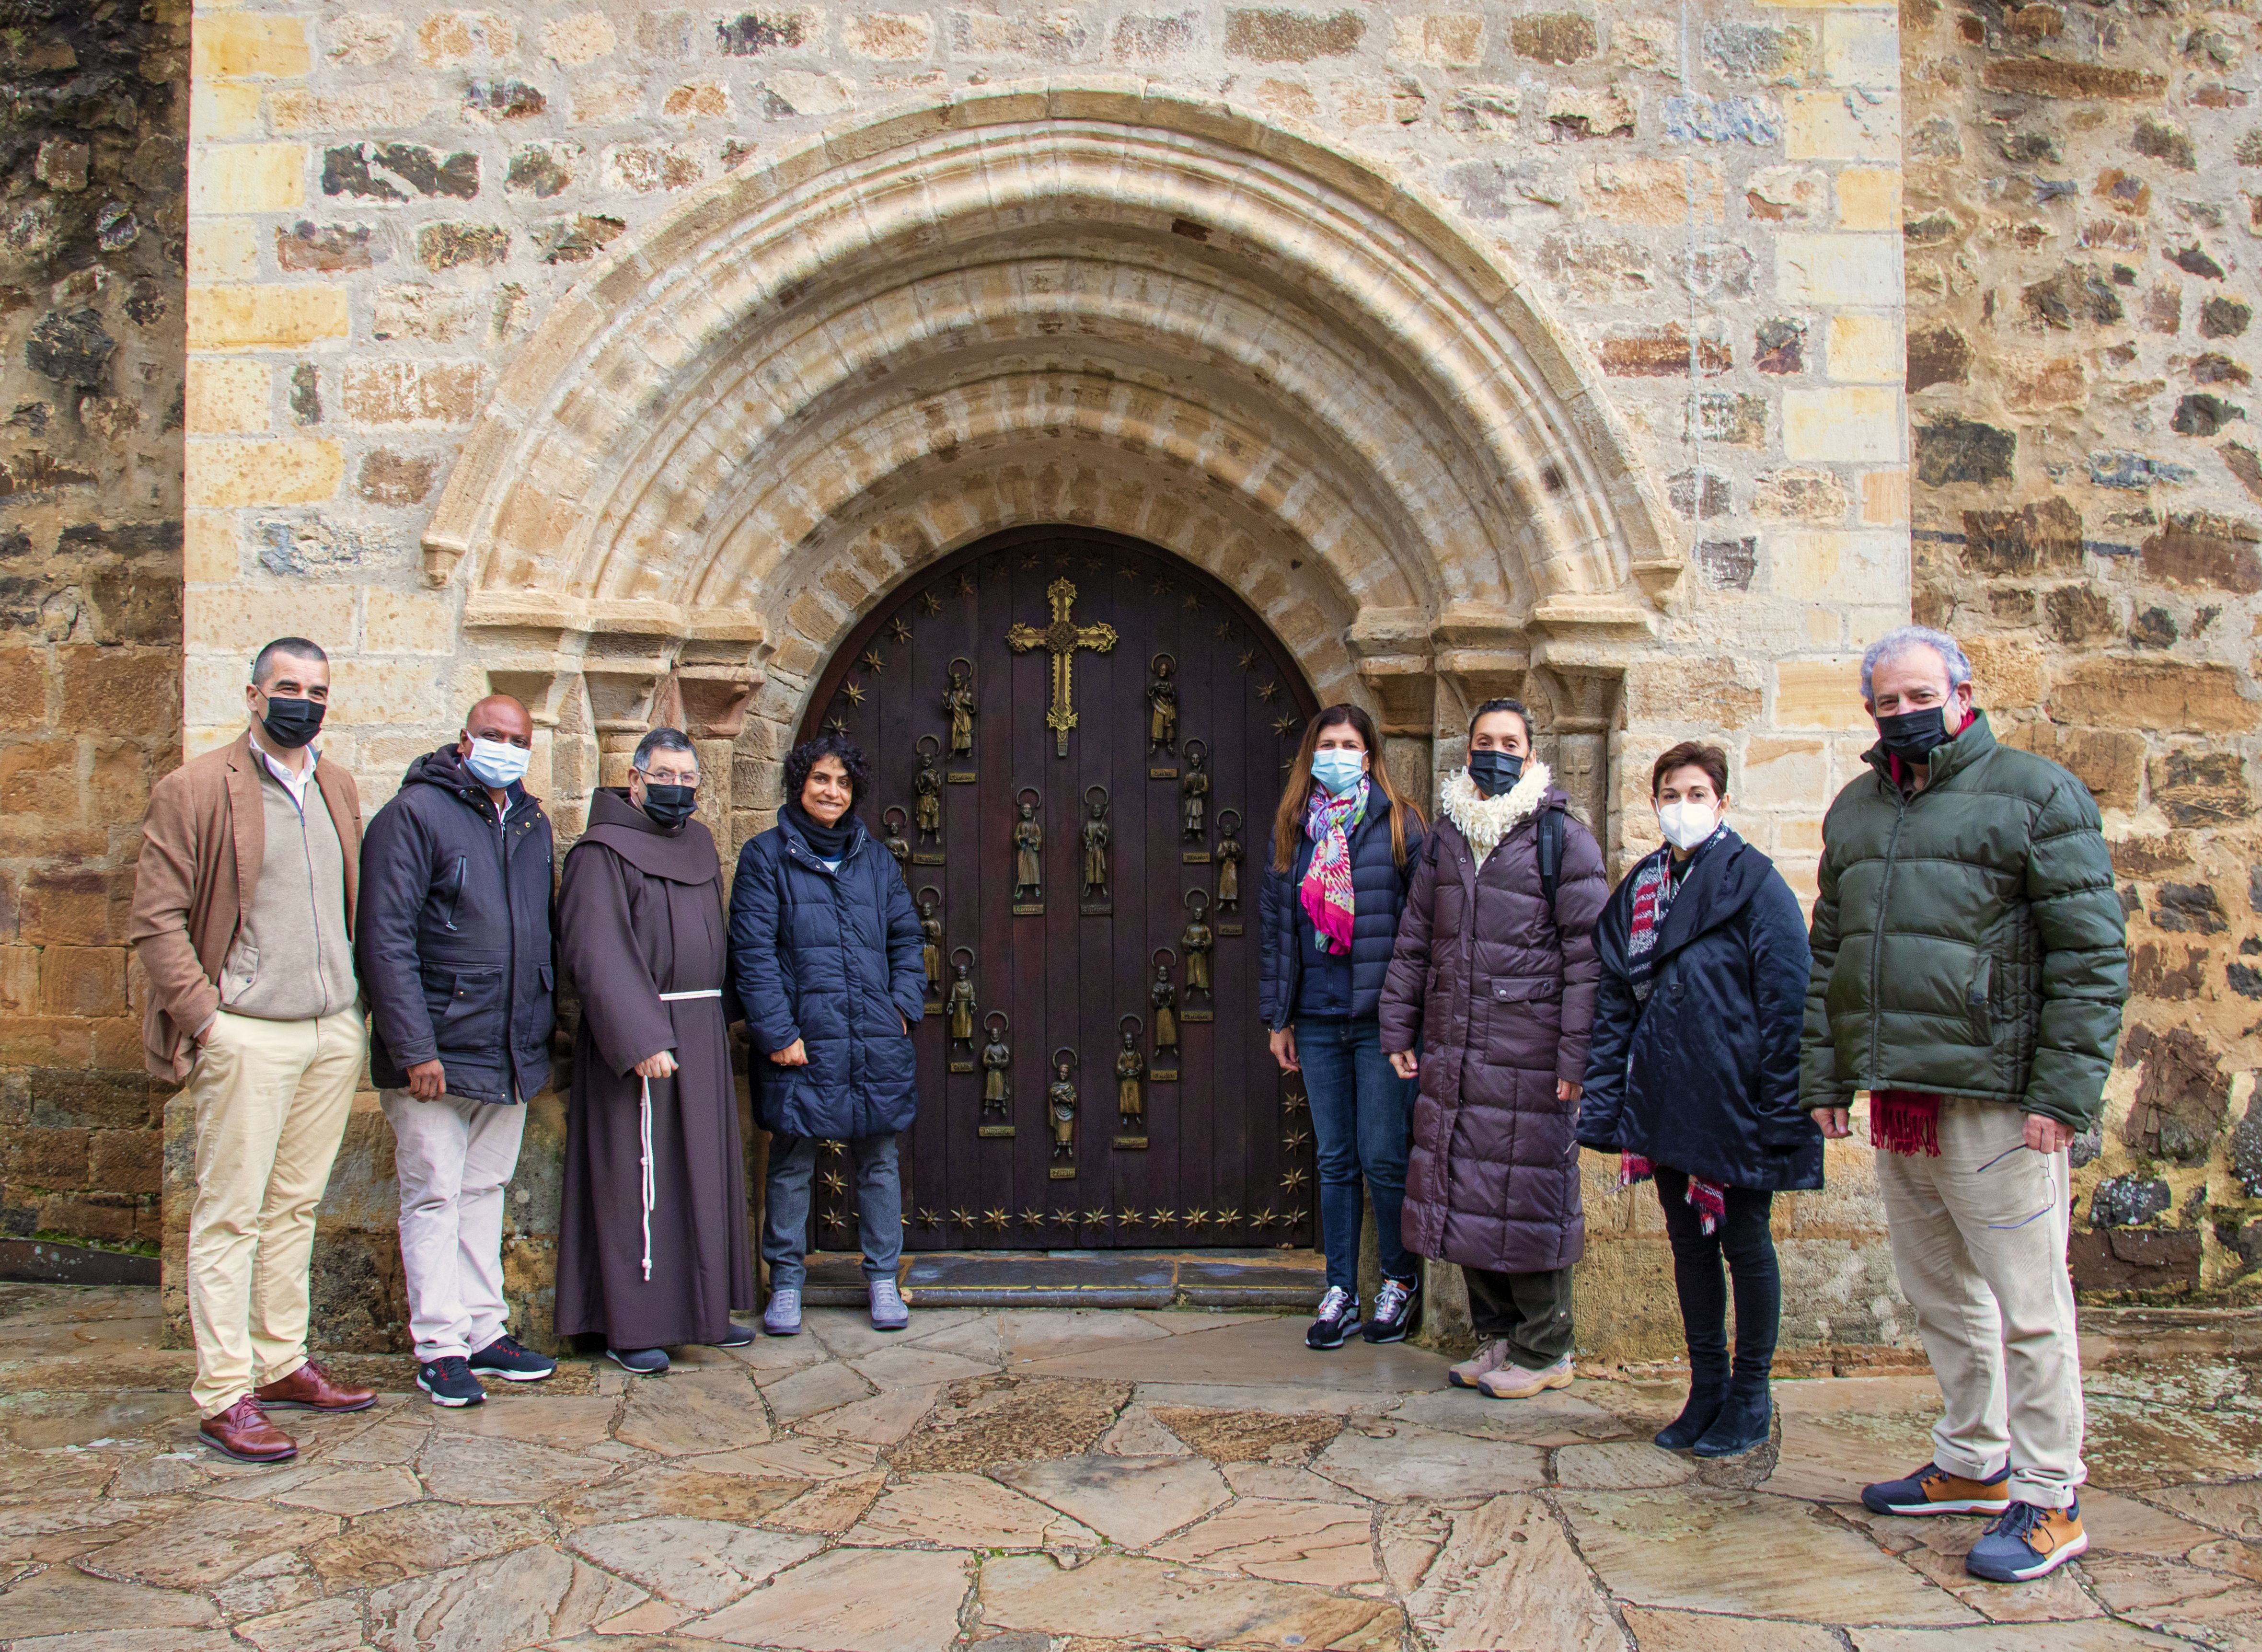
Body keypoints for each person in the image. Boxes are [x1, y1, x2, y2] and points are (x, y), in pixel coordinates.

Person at [1803, 626, 2126, 1584]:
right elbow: (1829, 957)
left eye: (1917, 694)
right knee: (1939, 1294)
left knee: (2028, 1306)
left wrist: (2061, 1094)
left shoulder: (2035, 794)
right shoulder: (1855, 811)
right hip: (1902, 1097)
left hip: (1997, 1101)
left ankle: (2048, 1492)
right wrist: (1823, 1078)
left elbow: (2089, 956)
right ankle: (1971, 1459)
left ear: (1960, 691)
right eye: (1883, 701)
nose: (1900, 712)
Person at [127, 637, 376, 1461]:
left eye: (317, 689)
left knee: (294, 1206)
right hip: (246, 1032)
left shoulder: (337, 786)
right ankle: (225, 1390)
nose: (303, 701)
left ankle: (280, 1360)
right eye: (288, 687)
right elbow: (156, 919)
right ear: (253, 694)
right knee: (230, 1211)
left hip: (329, 1029)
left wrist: (354, 1014)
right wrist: (207, 1019)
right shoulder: (196, 788)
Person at [1577, 743, 1820, 1456]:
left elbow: (1787, 999)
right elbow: (1616, 998)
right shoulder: (1643, 887)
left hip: (1736, 1097)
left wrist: (1782, 1108)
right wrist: (1607, 1102)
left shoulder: (1756, 882)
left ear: (1722, 802)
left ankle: (1751, 1394)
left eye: (1696, 791)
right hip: (1665, 1096)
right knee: (1688, 1244)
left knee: (1744, 1241)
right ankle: (1706, 1384)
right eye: (1670, 792)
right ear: (1654, 802)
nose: (1682, 804)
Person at [1380, 697, 1605, 1399]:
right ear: (1467, 750)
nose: (1496, 752)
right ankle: (1499, 1335)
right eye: (1485, 740)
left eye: (1511, 742)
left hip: (1528, 1052)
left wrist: (1576, 1059)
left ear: (1533, 756)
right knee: (1465, 1188)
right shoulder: (1450, 836)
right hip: (1455, 1044)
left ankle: (1547, 1348)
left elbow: (1587, 957)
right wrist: (1398, 1026)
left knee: (1529, 1193)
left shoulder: (1562, 838)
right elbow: (1417, 937)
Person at [357, 694, 558, 1407]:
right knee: (435, 1193)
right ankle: (439, 1345)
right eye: (493, 735)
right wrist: (414, 1045)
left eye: (519, 738)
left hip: (508, 1049)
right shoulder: (412, 815)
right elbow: (384, 938)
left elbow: (542, 930)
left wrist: (540, 1037)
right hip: (438, 1050)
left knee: (482, 1191)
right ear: (464, 740)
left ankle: (483, 1329)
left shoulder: (533, 822)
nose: (506, 746)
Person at [555, 728, 755, 1373]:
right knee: (638, 1176)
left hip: (699, 1029)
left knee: (701, 1174)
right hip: (643, 1039)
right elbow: (595, 949)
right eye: (663, 776)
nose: (676, 788)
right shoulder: (600, 852)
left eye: (686, 778)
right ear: (634, 780)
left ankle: (701, 1309)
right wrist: (641, 1035)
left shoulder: (698, 844)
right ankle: (630, 1322)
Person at [731, 733, 926, 1336]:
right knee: (791, 1159)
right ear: (799, 783)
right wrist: (776, 1031)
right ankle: (786, 1282)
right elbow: (753, 953)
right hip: (803, 1040)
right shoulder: (766, 857)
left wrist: (902, 1006)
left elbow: (905, 937)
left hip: (872, 1035)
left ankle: (882, 1280)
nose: (831, 792)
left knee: (878, 1160)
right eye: (821, 779)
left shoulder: (875, 859)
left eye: (842, 783)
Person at [1259, 705, 1429, 1349]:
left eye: (1349, 744)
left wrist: (1411, 1020)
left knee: (1384, 1156)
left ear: (1368, 755)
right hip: (1319, 1019)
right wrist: (1278, 1018)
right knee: (1334, 1160)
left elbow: (1422, 930)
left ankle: (1397, 1281)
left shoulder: (1399, 824)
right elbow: (1279, 936)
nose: (1336, 753)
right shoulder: (1293, 829)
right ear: (1311, 754)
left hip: (1383, 1025)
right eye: (1326, 743)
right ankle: (1340, 1288)